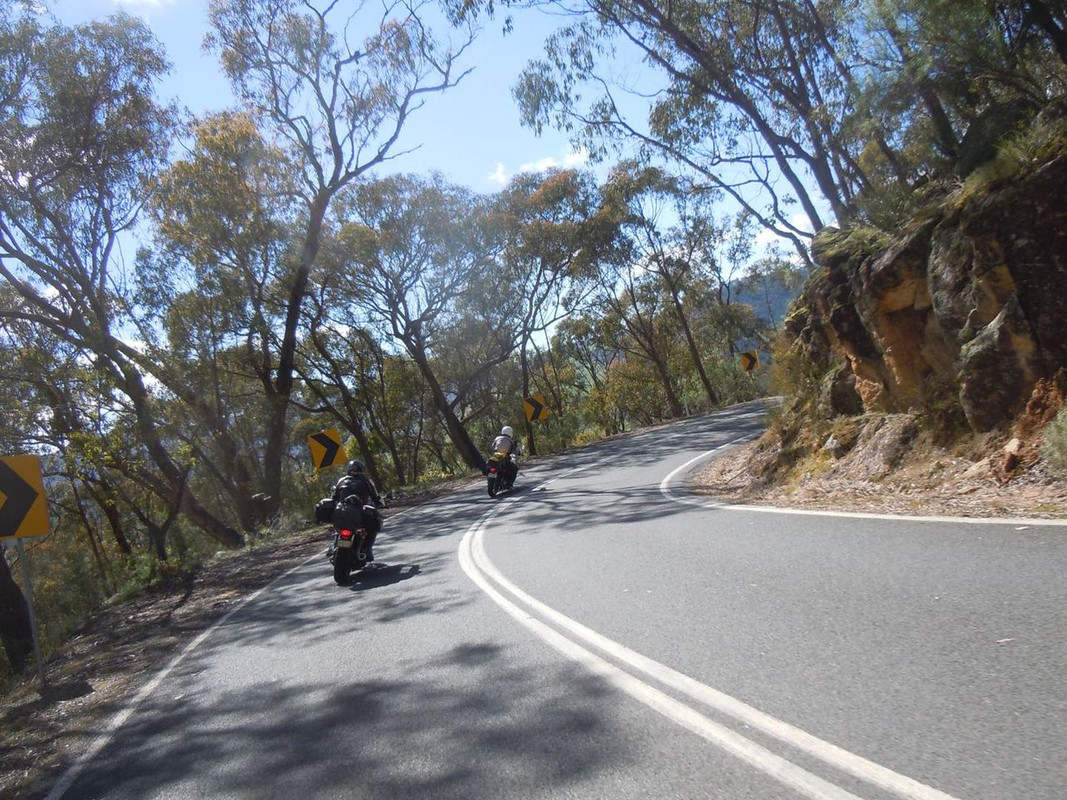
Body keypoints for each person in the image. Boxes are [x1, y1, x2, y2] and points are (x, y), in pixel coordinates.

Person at [332, 459, 385, 562]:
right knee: (373, 525)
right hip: (358, 513)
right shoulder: (366, 481)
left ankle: (334, 546)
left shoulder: (341, 481)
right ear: (361, 469)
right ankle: (367, 549)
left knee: (337, 529)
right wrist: (381, 503)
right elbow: (375, 496)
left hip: (341, 511)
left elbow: (334, 497)